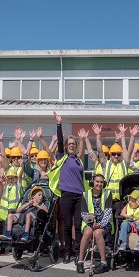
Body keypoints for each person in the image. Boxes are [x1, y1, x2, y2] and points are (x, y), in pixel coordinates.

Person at [48, 111, 86, 263]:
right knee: (66, 225)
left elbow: (82, 151)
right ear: (66, 146)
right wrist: (59, 124)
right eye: (69, 144)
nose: (71, 145)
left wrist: (82, 139)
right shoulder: (62, 157)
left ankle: (78, 253)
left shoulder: (78, 160)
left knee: (77, 225)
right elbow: (59, 142)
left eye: (73, 144)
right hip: (66, 195)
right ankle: (67, 253)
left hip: (79, 195)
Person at [77, 173, 113, 274]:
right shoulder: (85, 194)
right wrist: (89, 218)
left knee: (97, 233)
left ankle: (103, 263)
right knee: (87, 232)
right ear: (93, 182)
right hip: (90, 221)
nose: (99, 184)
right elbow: (83, 213)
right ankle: (80, 262)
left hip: (103, 223)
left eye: (101, 182)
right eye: (97, 181)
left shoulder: (108, 193)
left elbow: (108, 213)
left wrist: (100, 224)